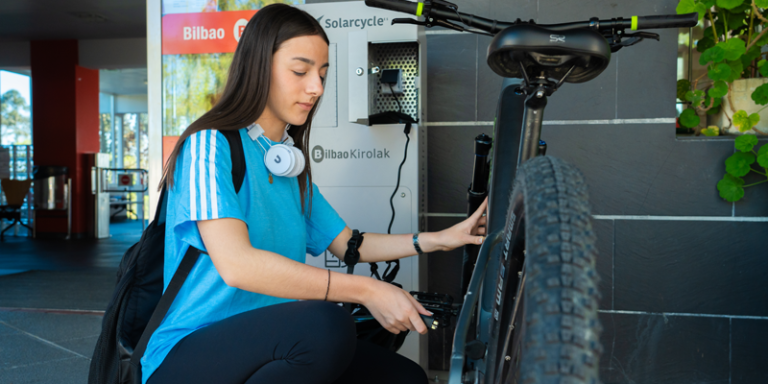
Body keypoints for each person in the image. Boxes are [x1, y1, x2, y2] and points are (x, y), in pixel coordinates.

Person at [142, 4, 488, 383]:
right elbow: (237, 264)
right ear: (258, 65)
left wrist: (441, 239)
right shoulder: (209, 146)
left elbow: (349, 245)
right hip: (189, 354)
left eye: (322, 74)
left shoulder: (285, 162)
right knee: (325, 326)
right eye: (300, 71)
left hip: (271, 343)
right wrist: (366, 290)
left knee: (404, 378)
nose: (316, 88)